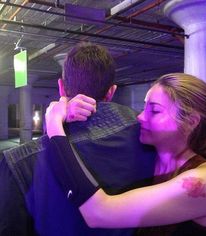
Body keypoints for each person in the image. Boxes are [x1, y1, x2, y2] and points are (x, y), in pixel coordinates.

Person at [45, 73, 206, 236]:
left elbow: (99, 212)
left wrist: (54, 124)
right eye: (145, 107)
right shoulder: (147, 154)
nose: (140, 116)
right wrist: (71, 118)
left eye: (154, 111)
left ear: (191, 121)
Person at [0, 43, 155, 236]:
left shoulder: (17, 162)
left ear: (61, 87)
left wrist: (55, 125)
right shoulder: (150, 136)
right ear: (111, 91)